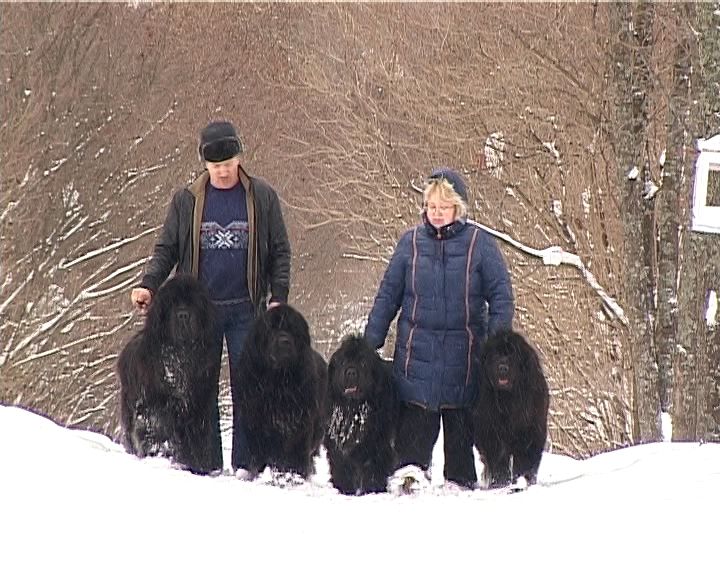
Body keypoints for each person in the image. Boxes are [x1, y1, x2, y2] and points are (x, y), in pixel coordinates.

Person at [130, 120, 291, 474]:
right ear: (205, 164)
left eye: (228, 164)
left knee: (248, 387)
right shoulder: (187, 200)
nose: (222, 171)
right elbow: (166, 249)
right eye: (215, 166)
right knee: (199, 389)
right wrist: (149, 284)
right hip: (197, 314)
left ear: (239, 158)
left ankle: (247, 464)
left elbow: (280, 250)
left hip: (246, 309)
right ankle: (205, 463)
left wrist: (278, 297)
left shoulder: (261, 197)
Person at [364, 167, 514, 490]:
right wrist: (370, 341)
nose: (436, 214)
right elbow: (388, 294)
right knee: (411, 458)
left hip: (465, 362)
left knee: (460, 461)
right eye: (431, 207)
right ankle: (411, 481)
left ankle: (460, 490)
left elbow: (501, 294)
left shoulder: (479, 245)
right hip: (416, 363)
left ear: (457, 209)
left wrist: (498, 344)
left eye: (443, 208)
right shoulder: (410, 244)